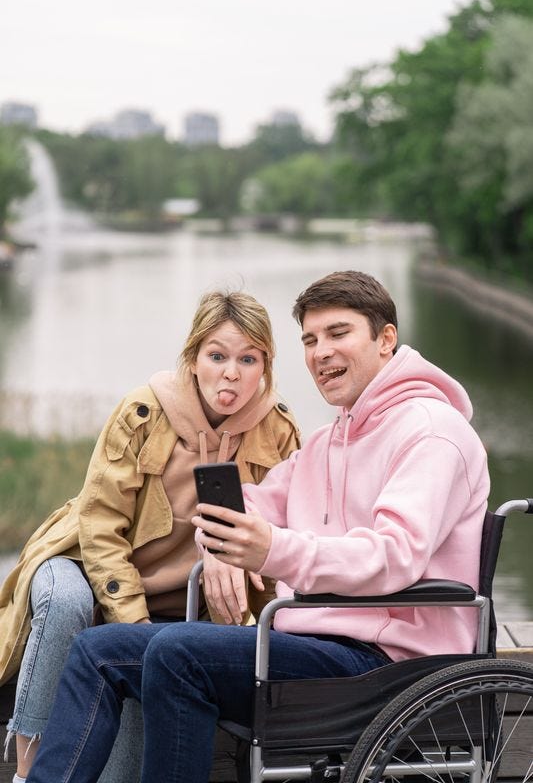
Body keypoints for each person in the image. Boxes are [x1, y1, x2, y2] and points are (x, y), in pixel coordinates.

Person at [26, 270, 490, 783]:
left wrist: (270, 549)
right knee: (98, 651)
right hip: (314, 641)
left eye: (338, 333)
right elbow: (246, 505)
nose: (321, 352)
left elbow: (394, 555)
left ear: (385, 339)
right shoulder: (328, 441)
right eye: (310, 340)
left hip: (390, 663)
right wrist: (220, 549)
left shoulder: (431, 432)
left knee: (180, 652)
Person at [0, 290, 300, 783]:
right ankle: (25, 768)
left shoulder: (279, 431)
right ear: (193, 358)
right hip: (86, 565)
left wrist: (281, 635)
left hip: (181, 607)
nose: (231, 373)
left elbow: (279, 547)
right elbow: (100, 525)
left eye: (249, 359)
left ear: (265, 365)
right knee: (66, 603)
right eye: (217, 356)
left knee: (127, 761)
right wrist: (133, 623)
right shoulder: (144, 412)